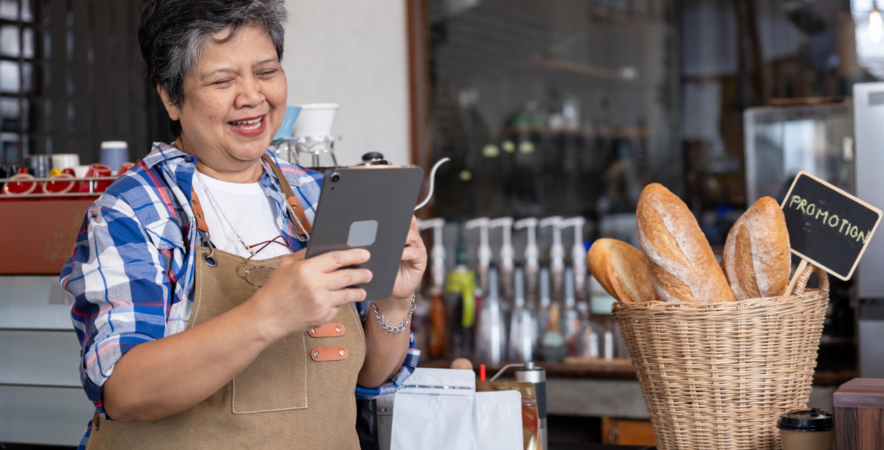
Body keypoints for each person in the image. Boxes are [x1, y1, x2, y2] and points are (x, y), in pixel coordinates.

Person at [60, 1, 425, 448]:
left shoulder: (317, 197)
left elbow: (367, 378)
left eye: (267, 71)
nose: (252, 96)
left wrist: (394, 300)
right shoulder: (135, 210)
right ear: (170, 98)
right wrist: (268, 314)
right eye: (222, 80)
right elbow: (123, 392)